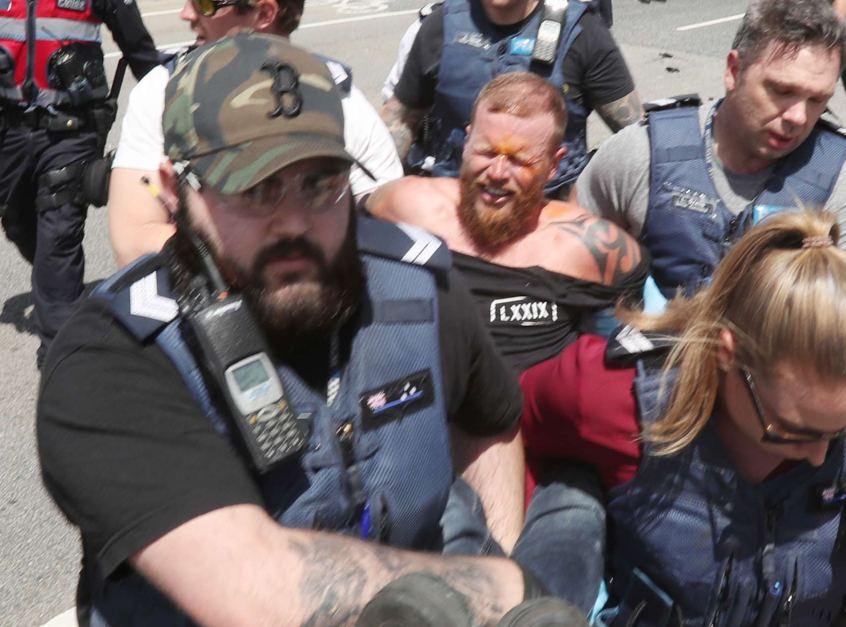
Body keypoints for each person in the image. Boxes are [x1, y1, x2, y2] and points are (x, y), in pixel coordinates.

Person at [37, 33, 547, 626]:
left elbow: (490, 422)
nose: (294, 224)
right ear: (176, 192)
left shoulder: (419, 290)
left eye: (320, 184)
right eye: (255, 190)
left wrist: (496, 545)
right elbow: (260, 587)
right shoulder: (116, 356)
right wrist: (506, 585)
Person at [521, 210, 846, 625]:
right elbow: (505, 423)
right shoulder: (613, 393)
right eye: (792, 429)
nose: (817, 456)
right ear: (728, 354)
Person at [575, 0, 846, 301]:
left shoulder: (844, 179)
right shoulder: (641, 153)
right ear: (734, 71)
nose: (798, 117)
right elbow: (566, 272)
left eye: (817, 100)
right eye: (782, 91)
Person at [369, 72, 648, 374]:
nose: (498, 172)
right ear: (466, 142)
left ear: (553, 165)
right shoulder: (405, 206)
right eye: (486, 152)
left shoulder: (596, 249)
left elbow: (616, 366)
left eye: (520, 160)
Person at [107, 0, 403, 269]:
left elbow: (392, 221)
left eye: (205, 4)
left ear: (264, 13)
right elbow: (134, 243)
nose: (186, 13)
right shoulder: (163, 91)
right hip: (206, 311)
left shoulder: (334, 92)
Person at [0, 0, 164, 366]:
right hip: (9, 126)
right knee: (18, 222)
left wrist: (169, 111)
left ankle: (62, 355)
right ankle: (57, 286)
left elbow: (139, 50)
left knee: (58, 235)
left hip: (71, 129)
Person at [381, 0, 642, 194]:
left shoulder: (584, 33)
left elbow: (638, 139)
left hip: (547, 217)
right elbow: (399, 121)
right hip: (454, 212)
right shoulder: (440, 25)